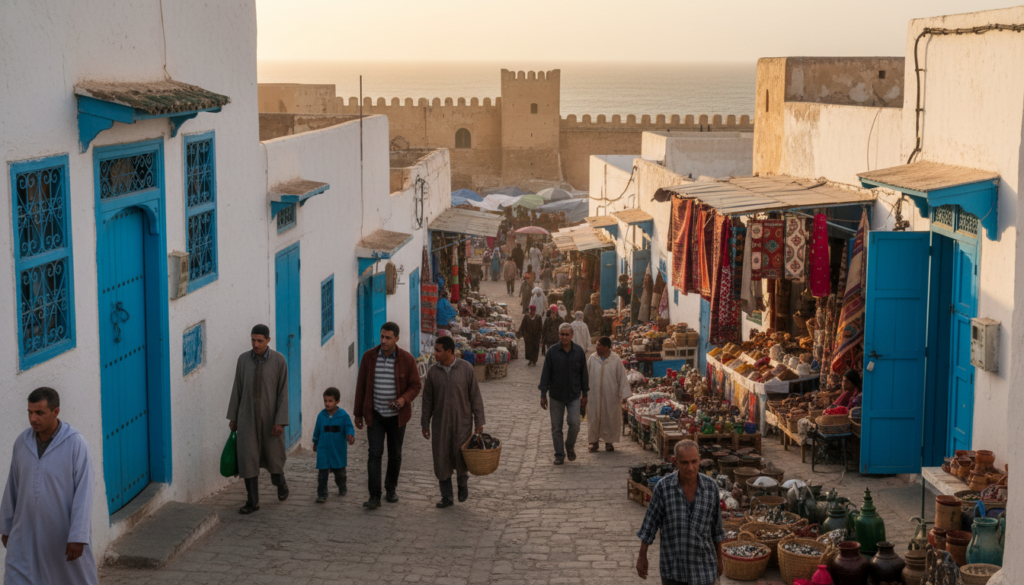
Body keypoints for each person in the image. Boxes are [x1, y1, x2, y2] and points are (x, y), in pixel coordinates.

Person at [1, 388, 98, 585]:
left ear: (56, 412)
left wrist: (78, 536)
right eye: (30, 412)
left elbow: (84, 492)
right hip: (25, 535)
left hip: (61, 536)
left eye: (39, 413)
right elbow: (12, 486)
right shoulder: (22, 442)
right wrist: (6, 527)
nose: (33, 419)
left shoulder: (75, 444)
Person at [636, 440, 725, 585]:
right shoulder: (663, 488)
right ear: (675, 461)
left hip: (704, 569)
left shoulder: (711, 488)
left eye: (694, 462)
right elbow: (649, 525)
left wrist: (719, 560)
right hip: (674, 571)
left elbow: (717, 529)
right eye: (684, 463)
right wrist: (642, 556)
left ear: (699, 460)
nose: (690, 467)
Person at [354, 322, 423, 509]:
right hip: (375, 415)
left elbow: (416, 385)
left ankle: (391, 489)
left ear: (396, 339)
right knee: (374, 454)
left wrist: (403, 400)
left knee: (395, 454)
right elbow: (361, 386)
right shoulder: (369, 357)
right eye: (382, 336)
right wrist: (358, 414)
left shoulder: (407, 359)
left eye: (388, 338)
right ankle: (374, 495)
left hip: (397, 417)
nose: (383, 341)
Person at [227, 324, 290, 514]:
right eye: (253, 340)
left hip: (271, 419)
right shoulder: (243, 360)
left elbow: (283, 394)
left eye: (260, 341)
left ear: (268, 340)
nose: (256, 344)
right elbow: (237, 388)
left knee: (274, 457)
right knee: (248, 457)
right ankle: (252, 501)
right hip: (247, 418)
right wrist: (234, 417)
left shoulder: (279, 361)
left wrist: (280, 421)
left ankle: (280, 483)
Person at [421, 336, 486, 508]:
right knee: (441, 457)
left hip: (462, 423)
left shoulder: (466, 369)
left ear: (448, 352)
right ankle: (447, 496)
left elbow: (475, 397)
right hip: (440, 424)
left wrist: (479, 422)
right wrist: (425, 423)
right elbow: (427, 400)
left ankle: (462, 483)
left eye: (437, 350)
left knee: (461, 456)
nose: (434, 353)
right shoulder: (433, 372)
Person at [539, 323, 589, 465]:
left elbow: (583, 374)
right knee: (556, 427)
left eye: (567, 334)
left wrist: (585, 393)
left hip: (574, 395)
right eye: (562, 334)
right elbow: (545, 374)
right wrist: (543, 394)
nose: (564, 337)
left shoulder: (578, 352)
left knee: (575, 423)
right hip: (556, 395)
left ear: (572, 335)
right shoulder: (552, 352)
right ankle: (559, 454)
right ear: (559, 335)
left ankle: (569, 445)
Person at [587, 337, 631, 452]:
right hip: (594, 395)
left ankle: (609, 442)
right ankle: (593, 441)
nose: (597, 347)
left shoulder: (615, 360)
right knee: (594, 417)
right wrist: (583, 392)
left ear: (606, 347)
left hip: (610, 395)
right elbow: (585, 375)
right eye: (596, 345)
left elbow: (622, 378)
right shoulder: (592, 359)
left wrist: (625, 395)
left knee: (610, 417)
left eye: (599, 345)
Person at [312, 387, 355, 503]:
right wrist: (315, 443)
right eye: (325, 400)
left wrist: (350, 435)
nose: (327, 403)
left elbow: (349, 427)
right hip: (323, 450)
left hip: (338, 451)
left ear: (337, 401)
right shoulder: (321, 416)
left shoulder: (343, 416)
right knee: (322, 475)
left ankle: (342, 485)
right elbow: (317, 430)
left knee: (339, 474)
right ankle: (322, 494)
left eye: (330, 401)